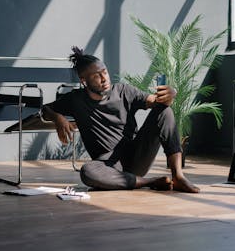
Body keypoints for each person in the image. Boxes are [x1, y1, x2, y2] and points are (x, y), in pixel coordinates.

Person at [41, 46, 200, 193]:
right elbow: (45, 109)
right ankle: (149, 182)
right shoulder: (76, 100)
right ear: (84, 80)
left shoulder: (123, 91)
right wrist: (57, 118)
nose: (104, 79)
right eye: (97, 76)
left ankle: (178, 176)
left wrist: (170, 94)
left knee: (165, 111)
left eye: (105, 72)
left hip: (137, 157)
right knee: (87, 172)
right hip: (108, 166)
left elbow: (156, 101)